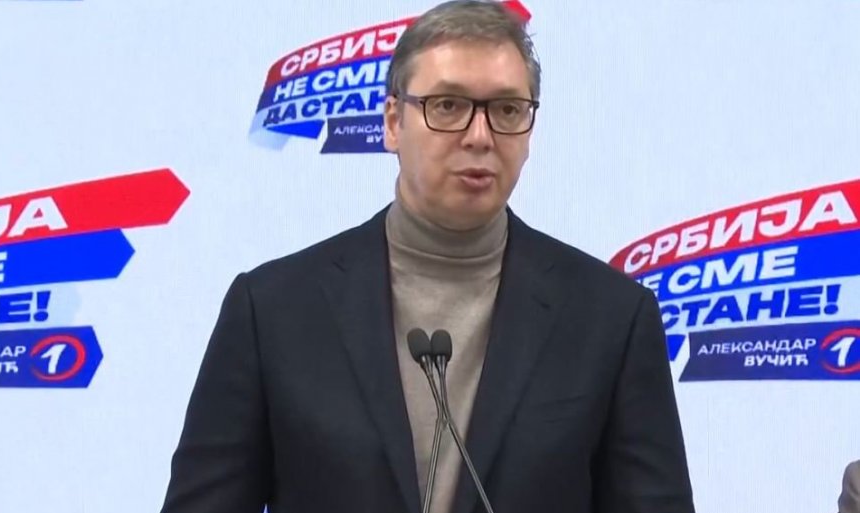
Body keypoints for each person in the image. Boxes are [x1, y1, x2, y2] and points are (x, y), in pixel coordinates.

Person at [161, 1, 695, 512]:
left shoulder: (610, 318)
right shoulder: (273, 310)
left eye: (508, 109)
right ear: (393, 122)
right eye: (448, 106)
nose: (480, 136)